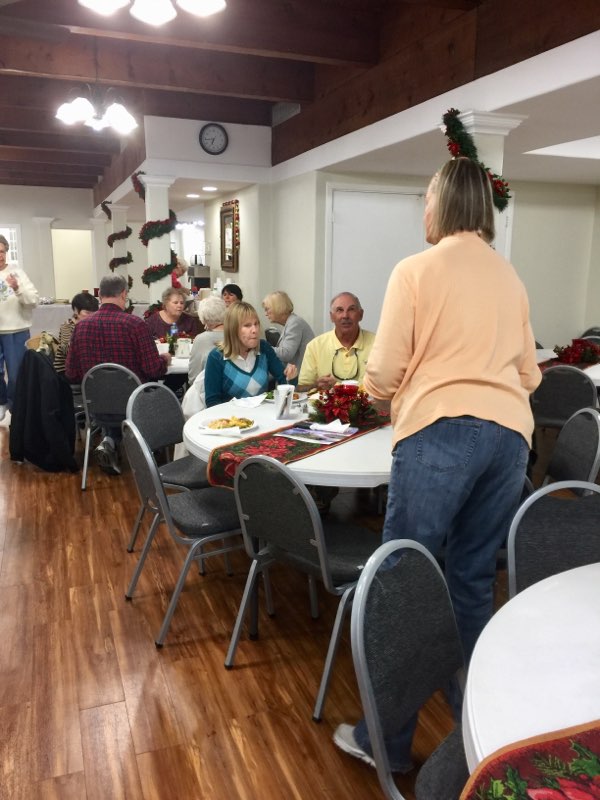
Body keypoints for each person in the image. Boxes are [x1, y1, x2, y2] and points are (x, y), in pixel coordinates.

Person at [334, 157, 541, 772]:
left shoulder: (416, 270)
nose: (423, 208)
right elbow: (530, 374)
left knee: (403, 583)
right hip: (511, 438)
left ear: (444, 203)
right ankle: (482, 738)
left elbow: (383, 372)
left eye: (426, 197)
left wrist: (380, 392)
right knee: (471, 583)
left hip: (441, 430)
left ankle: (387, 744)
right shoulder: (509, 276)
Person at [66, 274, 171, 474]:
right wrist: (164, 360)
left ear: (100, 294)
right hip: (134, 404)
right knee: (149, 391)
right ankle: (149, 450)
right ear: (124, 294)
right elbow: (152, 369)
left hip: (96, 406)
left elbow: (71, 373)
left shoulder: (80, 327)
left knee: (112, 395)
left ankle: (109, 440)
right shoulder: (135, 325)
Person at [204, 301, 297, 407]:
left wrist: (291, 378)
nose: (255, 330)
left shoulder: (264, 348)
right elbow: (212, 402)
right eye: (247, 325)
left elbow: (284, 381)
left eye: (256, 324)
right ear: (233, 329)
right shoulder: (216, 357)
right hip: (232, 416)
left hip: (262, 414)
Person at [297, 292, 375, 391]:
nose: (345, 315)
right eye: (339, 310)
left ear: (361, 315)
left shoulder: (377, 344)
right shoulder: (315, 346)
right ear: (331, 316)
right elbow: (301, 388)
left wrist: (337, 387)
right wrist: (316, 385)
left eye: (351, 309)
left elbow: (384, 388)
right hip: (324, 401)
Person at [0, 234, 39, 421]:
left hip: (15, 331)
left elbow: (33, 301)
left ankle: (17, 409)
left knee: (16, 375)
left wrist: (17, 288)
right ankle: (2, 402)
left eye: (2, 251)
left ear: (6, 252)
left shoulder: (18, 273)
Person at [262, 290, 314, 376]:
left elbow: (286, 354)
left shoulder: (294, 323)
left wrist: (262, 347)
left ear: (278, 307)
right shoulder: (291, 322)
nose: (265, 314)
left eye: (267, 309)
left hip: (300, 378)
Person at [54, 292, 99, 373]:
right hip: (65, 370)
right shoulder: (67, 325)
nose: (91, 317)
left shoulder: (95, 325)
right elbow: (66, 350)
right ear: (76, 310)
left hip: (86, 368)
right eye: (87, 313)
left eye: (94, 313)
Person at [188, 294, 226, 383]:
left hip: (208, 388)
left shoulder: (201, 339)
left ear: (204, 318)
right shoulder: (236, 335)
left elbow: (193, 377)